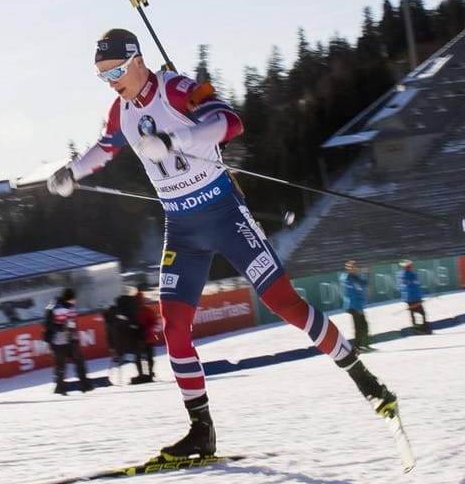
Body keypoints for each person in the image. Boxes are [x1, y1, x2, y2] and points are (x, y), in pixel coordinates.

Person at [48, 28, 398, 460]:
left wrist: (176, 140)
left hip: (225, 214)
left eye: (116, 70)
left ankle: (366, 380)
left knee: (286, 304)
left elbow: (230, 120)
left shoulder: (178, 88)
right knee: (174, 327)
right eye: (103, 75)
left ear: (138, 60)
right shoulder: (119, 112)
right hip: (182, 228)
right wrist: (72, 173)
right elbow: (105, 149)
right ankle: (201, 430)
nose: (112, 81)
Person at [43, 287, 92, 394]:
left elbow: (72, 323)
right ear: (68, 298)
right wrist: (60, 328)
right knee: (61, 366)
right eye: (74, 298)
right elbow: (47, 324)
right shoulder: (54, 307)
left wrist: (74, 336)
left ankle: (85, 386)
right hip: (58, 342)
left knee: (79, 361)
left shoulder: (71, 307)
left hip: (71, 340)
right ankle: (60, 388)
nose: (75, 300)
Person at [340, 260, 372, 352]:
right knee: (359, 327)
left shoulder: (355, 277)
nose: (354, 269)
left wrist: (366, 274)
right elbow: (353, 294)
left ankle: (365, 345)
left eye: (355, 267)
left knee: (364, 325)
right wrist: (358, 308)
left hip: (358, 306)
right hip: (353, 306)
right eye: (352, 267)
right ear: (348, 269)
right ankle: (357, 347)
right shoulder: (348, 279)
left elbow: (364, 285)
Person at [399, 260, 432, 335]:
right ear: (406, 267)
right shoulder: (408, 276)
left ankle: (418, 329)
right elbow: (412, 287)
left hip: (411, 298)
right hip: (413, 298)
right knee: (421, 313)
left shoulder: (406, 275)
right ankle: (421, 329)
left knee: (416, 314)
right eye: (410, 266)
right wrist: (418, 297)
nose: (411, 267)